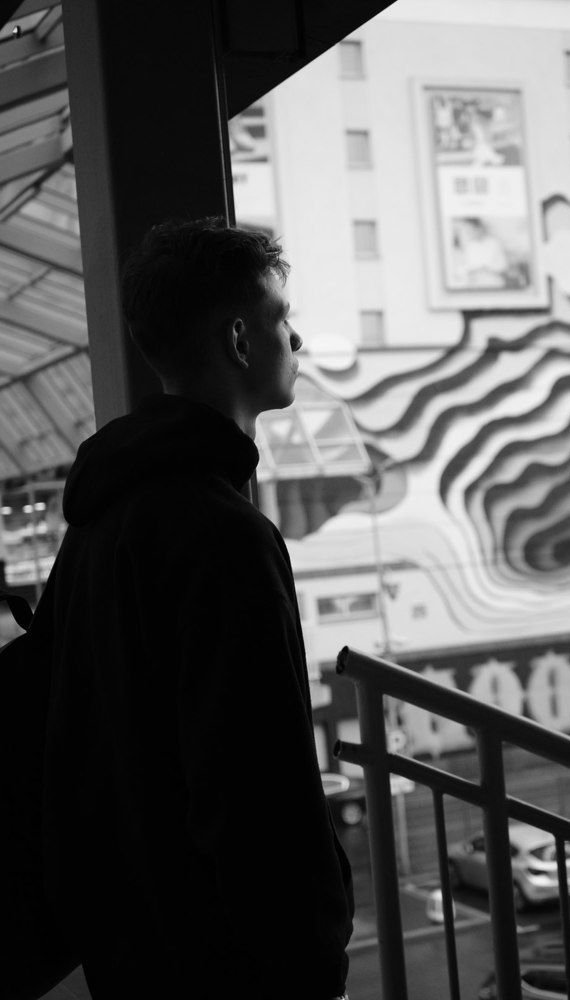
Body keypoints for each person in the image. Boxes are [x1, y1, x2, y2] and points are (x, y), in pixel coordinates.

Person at [42, 219, 354, 999]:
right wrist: (311, 959)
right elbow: (256, 785)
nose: (297, 338)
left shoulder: (99, 519)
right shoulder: (223, 535)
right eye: (282, 317)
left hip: (130, 948)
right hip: (229, 966)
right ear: (241, 341)